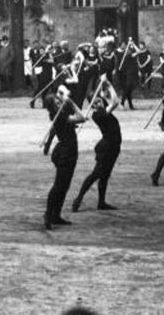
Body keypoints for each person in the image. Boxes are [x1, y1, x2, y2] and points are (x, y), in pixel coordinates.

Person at [72, 77, 121, 212]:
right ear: (92, 105)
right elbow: (116, 101)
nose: (99, 103)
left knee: (104, 176)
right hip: (107, 148)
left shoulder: (103, 109)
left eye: (99, 101)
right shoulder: (98, 115)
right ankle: (79, 198)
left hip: (114, 147)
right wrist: (110, 84)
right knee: (96, 175)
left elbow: (111, 99)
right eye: (96, 103)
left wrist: (105, 86)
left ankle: (101, 202)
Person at [42, 84, 85, 230]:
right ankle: (48, 214)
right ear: (52, 106)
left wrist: (64, 97)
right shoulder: (59, 115)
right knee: (59, 186)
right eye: (56, 102)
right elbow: (81, 117)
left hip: (67, 150)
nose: (59, 102)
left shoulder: (59, 112)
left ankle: (55, 215)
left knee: (64, 186)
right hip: (66, 152)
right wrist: (71, 102)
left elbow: (63, 89)